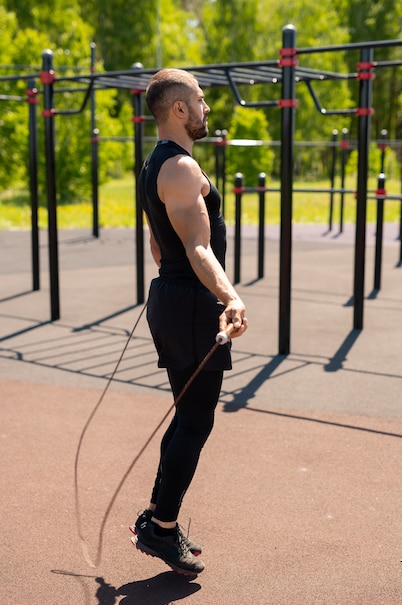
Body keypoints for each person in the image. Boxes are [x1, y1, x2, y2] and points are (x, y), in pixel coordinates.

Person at [129, 68, 248, 576]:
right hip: (193, 306)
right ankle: (161, 529)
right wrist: (230, 296)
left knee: (185, 415)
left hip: (174, 300)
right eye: (199, 100)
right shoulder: (179, 168)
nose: (205, 108)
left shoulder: (152, 165)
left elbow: (159, 244)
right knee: (197, 421)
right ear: (178, 109)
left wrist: (182, 286)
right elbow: (197, 247)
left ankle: (157, 516)